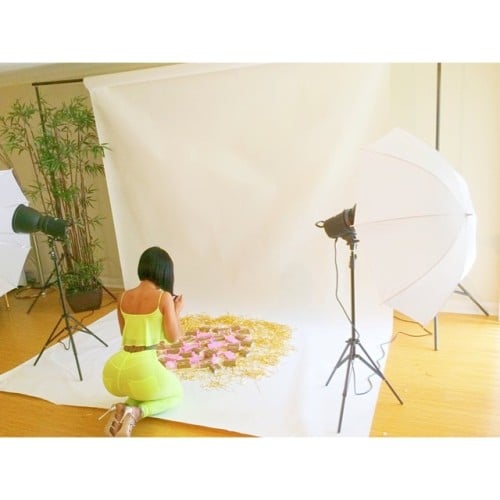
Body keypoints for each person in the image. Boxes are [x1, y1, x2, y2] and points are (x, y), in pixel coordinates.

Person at [99, 246, 184, 437]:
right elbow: (174, 337)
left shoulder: (122, 296)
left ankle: (123, 407)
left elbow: (124, 333)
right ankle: (137, 412)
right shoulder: (164, 297)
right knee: (176, 394)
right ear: (165, 271)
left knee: (139, 389)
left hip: (114, 369)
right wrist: (176, 310)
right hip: (143, 367)